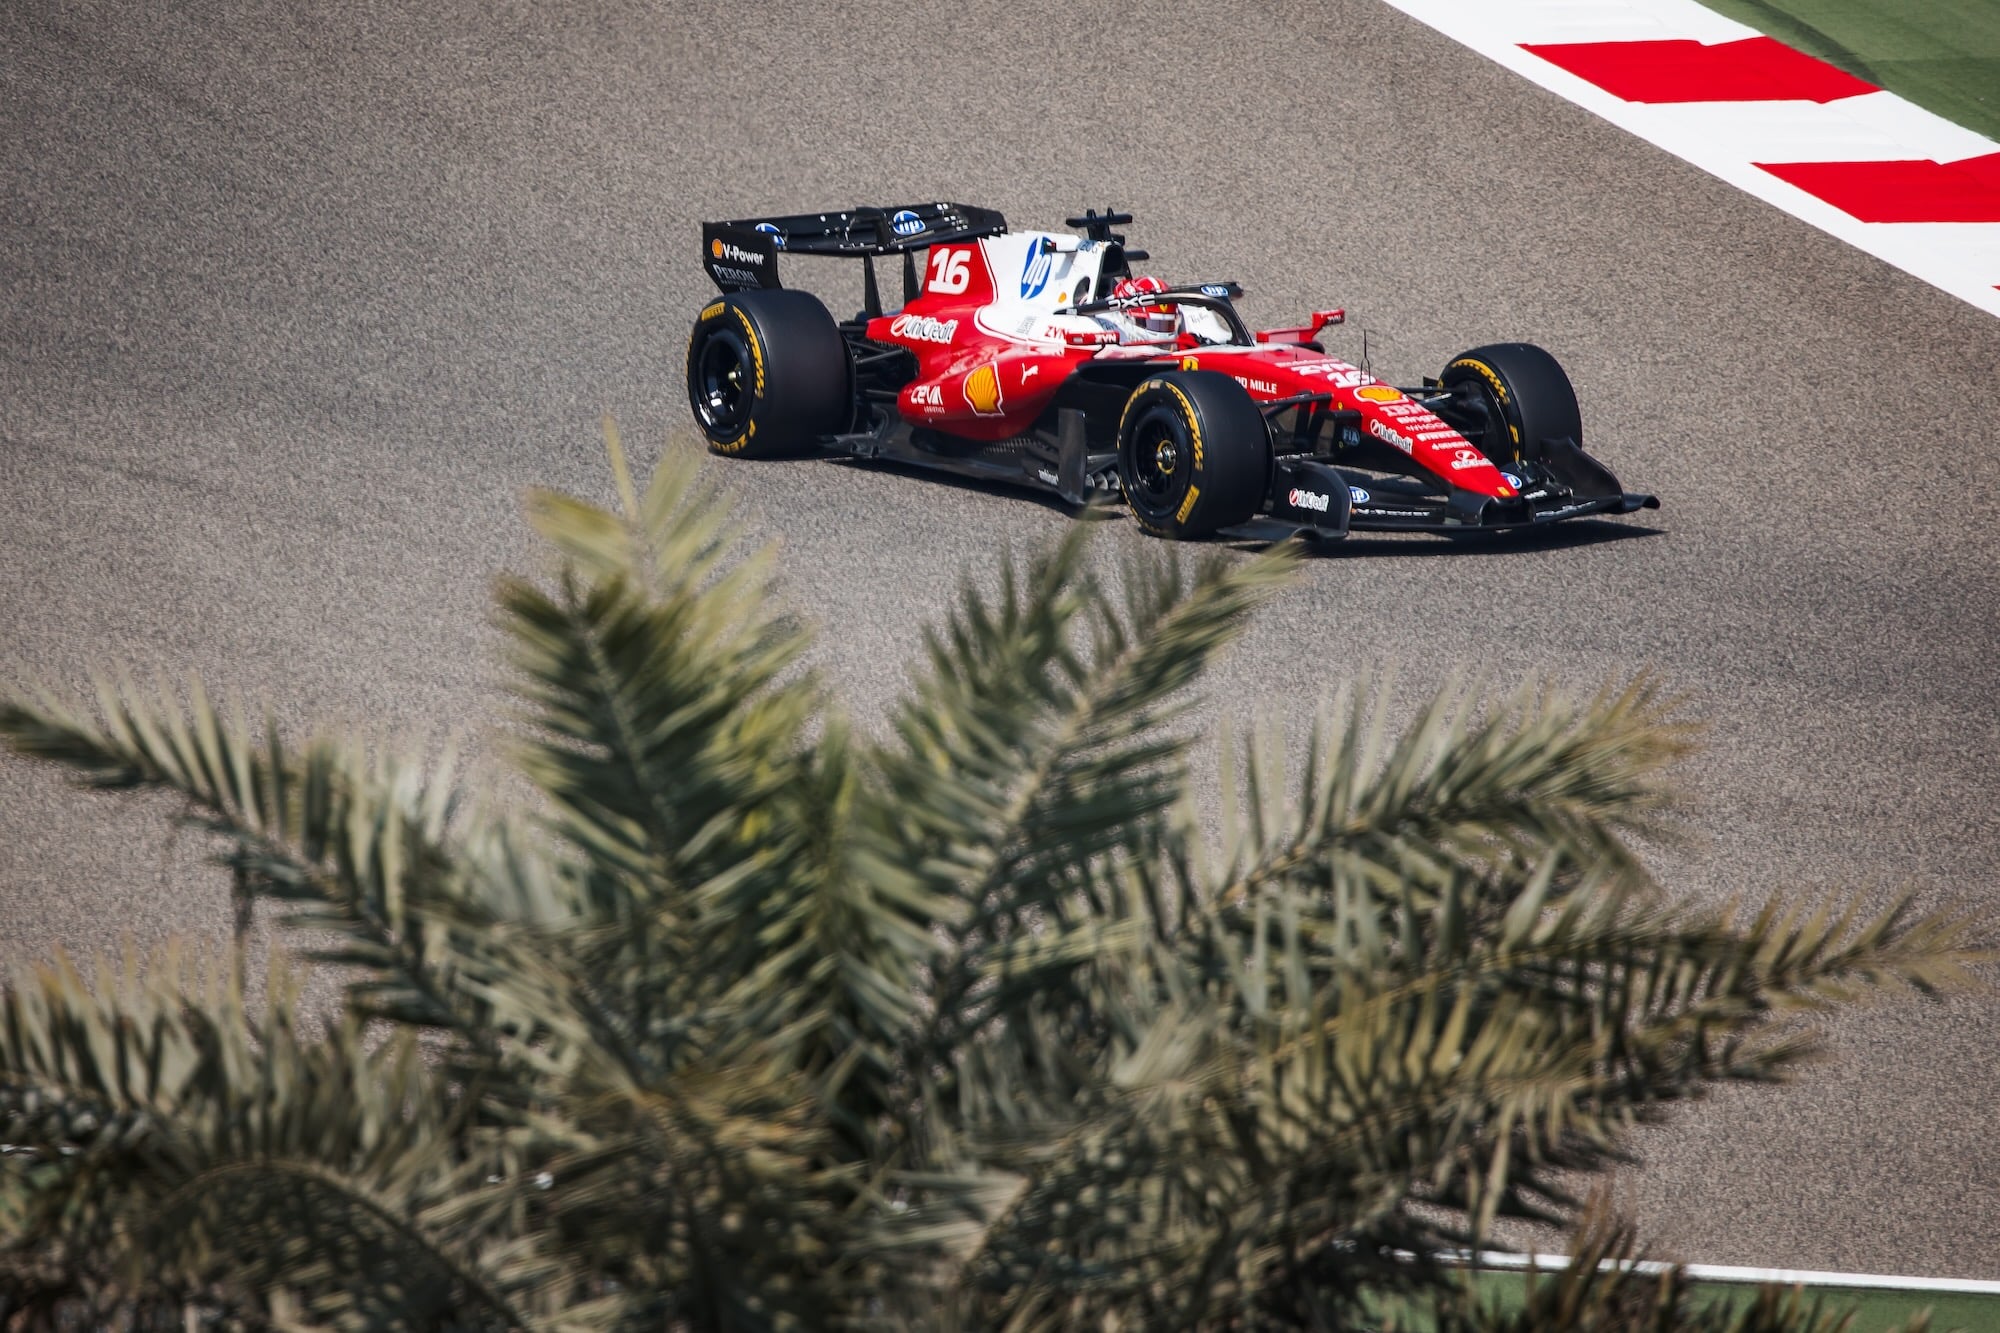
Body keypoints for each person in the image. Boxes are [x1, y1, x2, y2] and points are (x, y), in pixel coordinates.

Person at [1098, 275, 1235, 348]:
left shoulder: (1185, 333)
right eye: (1155, 325)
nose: (1162, 334)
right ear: (1126, 317)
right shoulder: (1104, 325)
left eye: (1167, 325)